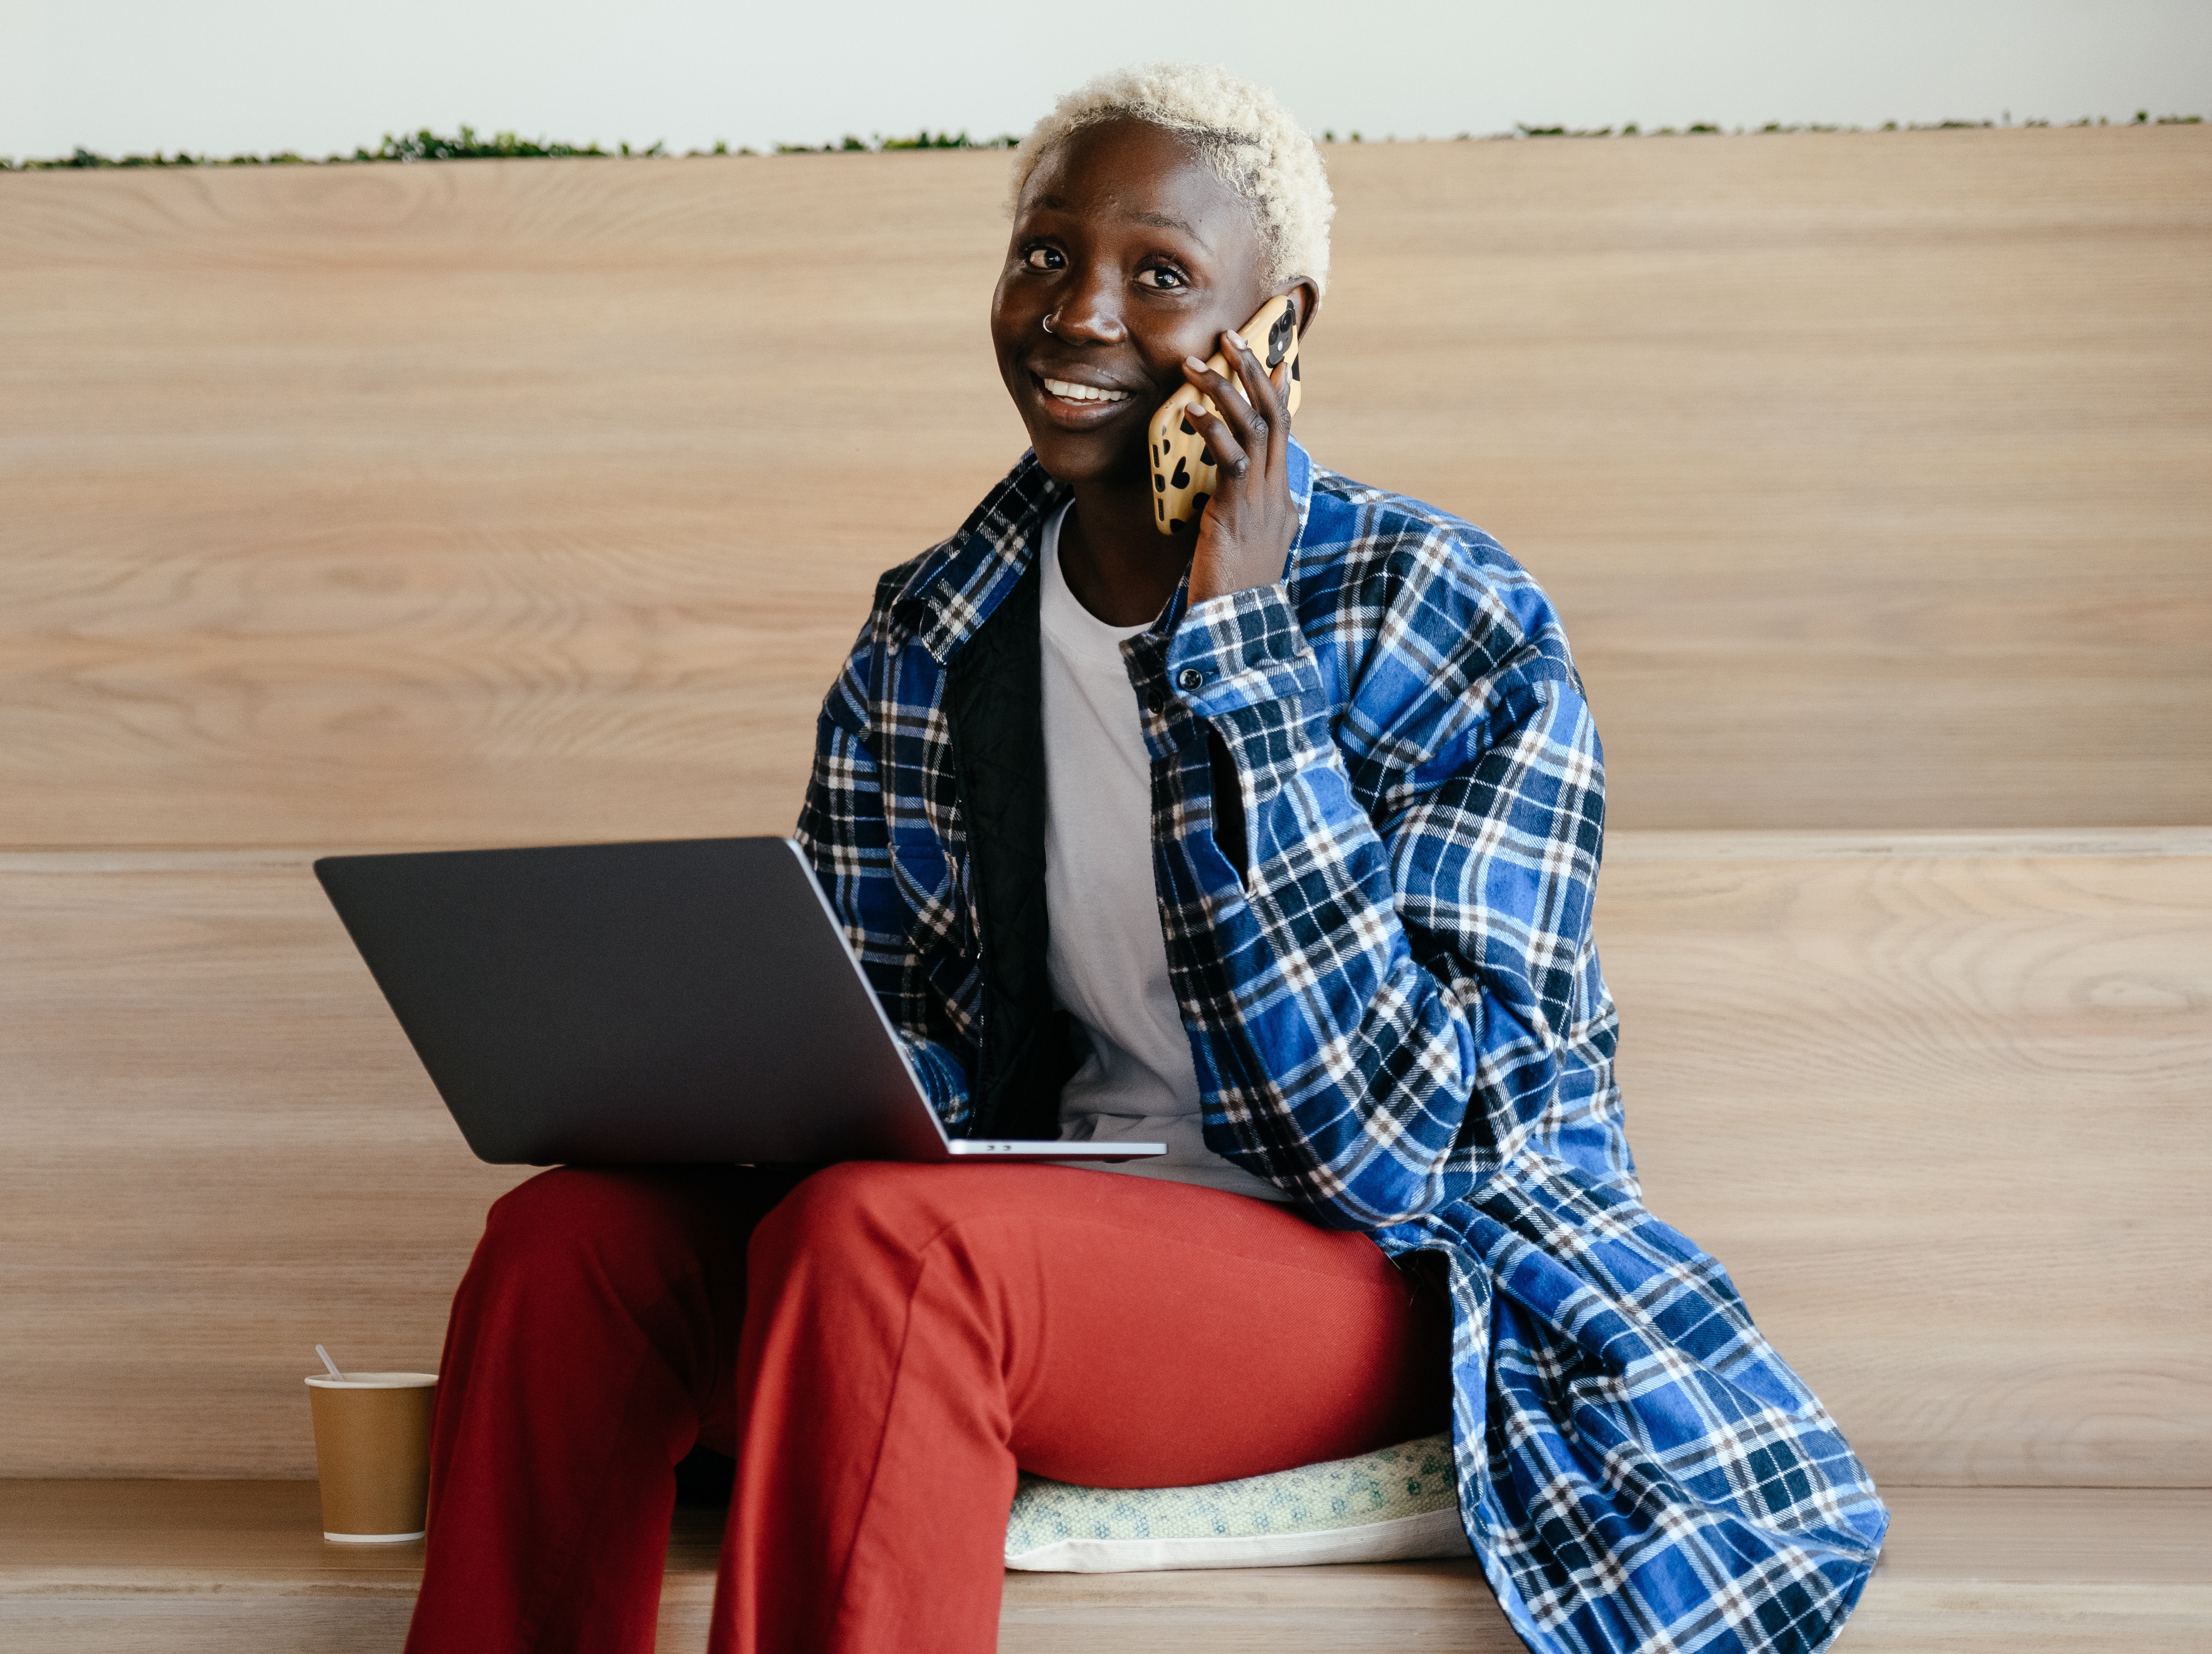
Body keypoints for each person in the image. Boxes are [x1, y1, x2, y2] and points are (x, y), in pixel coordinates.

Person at [403, 64, 1887, 1654]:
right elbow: (890, 1037)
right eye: (1046, 253)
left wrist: (1237, 650)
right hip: (1025, 1237)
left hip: (1375, 1273)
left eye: (1160, 276)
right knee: (566, 1249)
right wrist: (720, 1070)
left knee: (885, 1248)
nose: (1080, 313)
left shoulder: (1446, 617)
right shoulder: (936, 627)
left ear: (1280, 326)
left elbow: (1405, 1153)